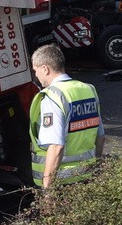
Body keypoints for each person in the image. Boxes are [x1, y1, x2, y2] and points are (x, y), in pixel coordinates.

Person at [29, 44, 105, 189]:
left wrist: (47, 189)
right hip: (87, 175)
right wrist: (96, 167)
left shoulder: (53, 96)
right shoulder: (89, 89)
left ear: (45, 68)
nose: (36, 76)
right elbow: (100, 137)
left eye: (36, 70)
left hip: (62, 182)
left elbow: (56, 146)